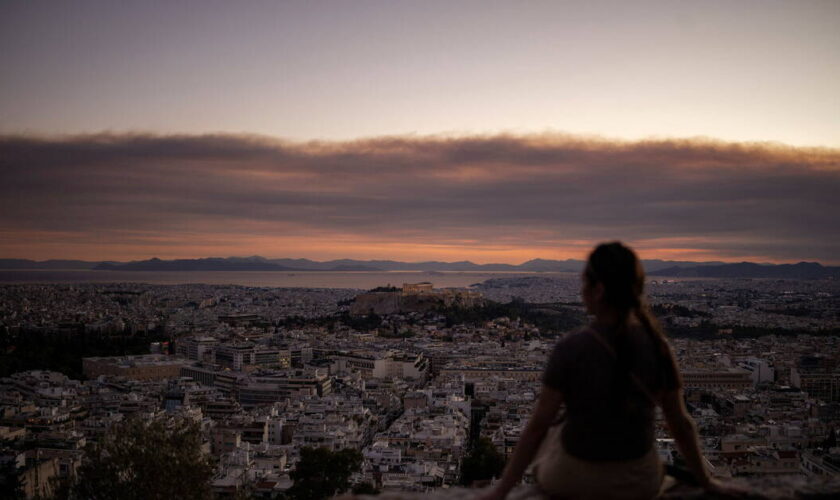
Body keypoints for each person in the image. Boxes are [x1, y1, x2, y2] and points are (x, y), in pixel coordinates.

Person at [478, 242, 741, 500]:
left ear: (599, 290)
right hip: (638, 482)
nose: (581, 292)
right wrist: (707, 482)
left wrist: (501, 490)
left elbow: (537, 427)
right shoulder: (657, 346)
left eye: (584, 284)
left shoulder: (572, 347)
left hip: (571, 479)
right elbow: (680, 424)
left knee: (556, 431)